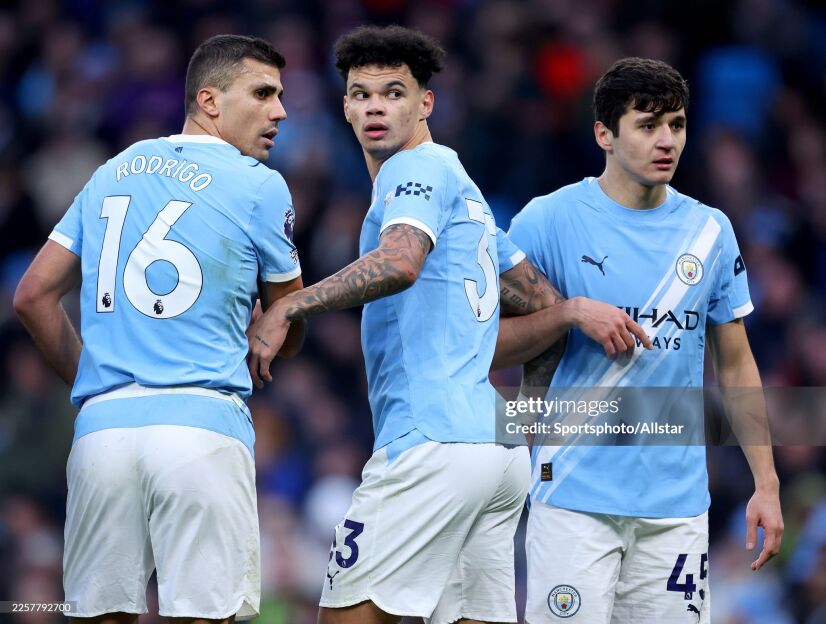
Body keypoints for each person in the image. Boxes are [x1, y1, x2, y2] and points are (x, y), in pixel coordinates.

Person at [248, 26, 649, 624]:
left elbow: (401, 261)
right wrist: (526, 422)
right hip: (494, 454)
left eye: (394, 93)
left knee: (347, 614)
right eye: (361, 94)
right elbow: (546, 307)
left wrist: (290, 305)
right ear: (345, 107)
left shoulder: (418, 170)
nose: (376, 107)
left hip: (431, 443)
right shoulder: (469, 201)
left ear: (426, 103)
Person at [13, 34, 302, 623]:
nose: (279, 111)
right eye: (263, 93)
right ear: (209, 100)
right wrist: (273, 329)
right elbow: (287, 320)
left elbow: (32, 295)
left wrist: (95, 380)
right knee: (205, 614)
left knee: (100, 614)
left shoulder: (111, 171)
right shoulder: (258, 183)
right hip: (200, 427)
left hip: (102, 435)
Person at [507, 57, 784, 623]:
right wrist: (569, 314)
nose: (667, 141)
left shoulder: (710, 232)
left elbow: (736, 364)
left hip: (677, 509)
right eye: (648, 124)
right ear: (604, 135)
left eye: (677, 125)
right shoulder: (548, 221)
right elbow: (487, 345)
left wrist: (767, 483)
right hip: (573, 497)